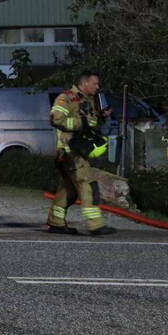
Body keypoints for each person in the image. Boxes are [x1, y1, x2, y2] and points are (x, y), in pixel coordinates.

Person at [46, 70, 116, 236]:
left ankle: (56, 222)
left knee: (68, 189)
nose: (97, 87)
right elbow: (56, 119)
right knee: (87, 184)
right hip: (69, 151)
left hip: (79, 149)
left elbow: (91, 122)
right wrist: (82, 122)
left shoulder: (89, 100)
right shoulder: (67, 98)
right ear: (84, 83)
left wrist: (101, 116)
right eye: (95, 83)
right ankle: (95, 225)